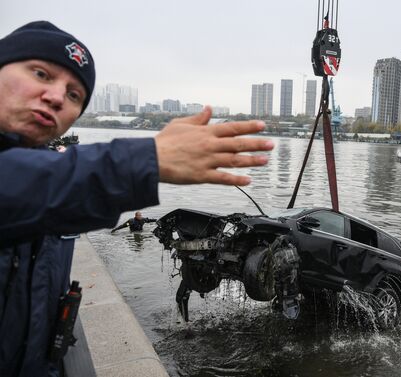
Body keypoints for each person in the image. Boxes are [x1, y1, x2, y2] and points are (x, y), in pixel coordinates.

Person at [0, 21, 273, 377]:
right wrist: (149, 159)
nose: (56, 97)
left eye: (74, 96)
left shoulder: (53, 195)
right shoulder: (40, 184)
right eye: (40, 73)